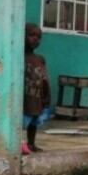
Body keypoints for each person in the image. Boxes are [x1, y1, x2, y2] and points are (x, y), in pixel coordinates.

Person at [24, 23, 51, 153]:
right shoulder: (18, 57)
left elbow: (45, 78)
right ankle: (18, 144)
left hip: (36, 96)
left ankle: (31, 143)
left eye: (39, 37)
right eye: (31, 35)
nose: (36, 39)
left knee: (34, 122)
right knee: (22, 122)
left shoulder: (40, 59)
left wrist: (47, 95)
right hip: (24, 95)